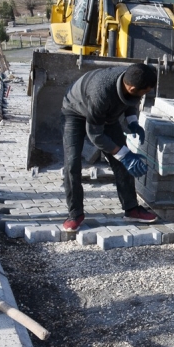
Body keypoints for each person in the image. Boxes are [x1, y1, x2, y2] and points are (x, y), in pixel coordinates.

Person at [61, 63, 159, 232]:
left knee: (121, 162)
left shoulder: (130, 76)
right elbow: (95, 135)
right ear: (132, 87)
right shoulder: (102, 92)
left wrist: (133, 122)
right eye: (145, 92)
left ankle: (131, 209)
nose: (145, 95)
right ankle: (75, 213)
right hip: (75, 110)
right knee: (72, 163)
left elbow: (130, 101)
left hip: (104, 115)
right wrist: (123, 154)